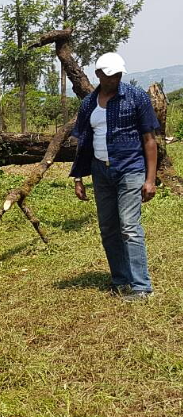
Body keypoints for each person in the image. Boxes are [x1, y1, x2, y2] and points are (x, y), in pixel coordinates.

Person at [70, 52, 160, 302]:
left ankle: (141, 287)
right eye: (110, 75)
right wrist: (78, 177)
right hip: (101, 171)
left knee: (129, 227)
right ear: (98, 75)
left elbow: (149, 140)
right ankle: (120, 279)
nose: (115, 79)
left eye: (119, 75)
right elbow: (83, 142)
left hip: (130, 169)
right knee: (108, 227)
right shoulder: (89, 103)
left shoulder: (136, 97)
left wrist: (150, 179)